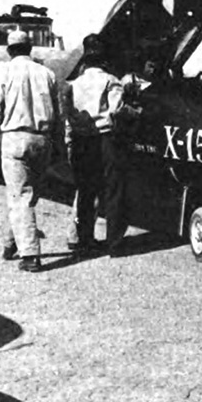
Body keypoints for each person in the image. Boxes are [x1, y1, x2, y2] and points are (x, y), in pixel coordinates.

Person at [0, 30, 62, 273]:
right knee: (28, 195)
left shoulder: (4, 72)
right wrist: (57, 144)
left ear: (9, 51)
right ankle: (11, 243)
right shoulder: (47, 73)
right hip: (42, 139)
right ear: (30, 48)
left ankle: (30, 256)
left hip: (15, 139)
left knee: (19, 197)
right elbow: (58, 113)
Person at [64, 33, 136, 256]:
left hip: (81, 142)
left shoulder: (73, 84)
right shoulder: (111, 81)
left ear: (85, 60)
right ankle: (114, 244)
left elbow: (68, 115)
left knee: (86, 191)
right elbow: (116, 112)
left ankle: (85, 241)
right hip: (106, 140)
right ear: (103, 58)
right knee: (114, 190)